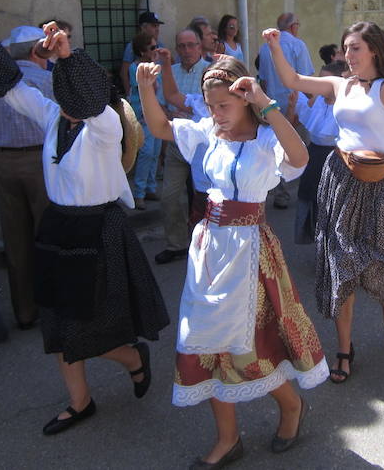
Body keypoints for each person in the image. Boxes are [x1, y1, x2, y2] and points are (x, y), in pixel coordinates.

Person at [0, 9, 169, 436]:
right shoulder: (51, 115)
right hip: (59, 228)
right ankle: (80, 401)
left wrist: (66, 54)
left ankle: (132, 357)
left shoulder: (106, 125)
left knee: (93, 322)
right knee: (58, 321)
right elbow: (10, 87)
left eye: (70, 84)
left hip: (99, 229)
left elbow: (90, 98)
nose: (64, 92)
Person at [137, 56, 328, 467]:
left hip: (251, 250)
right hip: (209, 247)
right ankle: (227, 439)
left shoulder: (264, 141)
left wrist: (265, 100)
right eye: (210, 106)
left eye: (223, 105)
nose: (215, 113)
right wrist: (144, 88)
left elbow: (299, 157)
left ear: (244, 100)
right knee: (204, 342)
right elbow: (160, 127)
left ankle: (291, 405)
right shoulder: (208, 132)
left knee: (252, 345)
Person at [262, 21, 384, 384]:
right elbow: (292, 80)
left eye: (356, 48)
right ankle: (343, 348)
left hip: (381, 184)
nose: (349, 56)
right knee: (341, 265)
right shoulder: (341, 85)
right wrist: (275, 46)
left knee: (383, 258)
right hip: (340, 180)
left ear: (374, 50)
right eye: (346, 48)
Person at [0, 25, 53, 329]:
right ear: (38, 51)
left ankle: (25, 312)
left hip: (5, 161)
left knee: (16, 240)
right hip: (39, 161)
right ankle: (54, 309)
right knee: (49, 236)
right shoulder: (46, 80)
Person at [156, 30, 211, 264]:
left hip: (204, 147)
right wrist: (170, 113)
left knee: (203, 197)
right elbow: (165, 102)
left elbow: (210, 107)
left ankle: (204, 245)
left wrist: (188, 115)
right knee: (169, 196)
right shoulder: (171, 72)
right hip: (178, 142)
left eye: (191, 45)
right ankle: (177, 244)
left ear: (200, 47)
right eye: (182, 46)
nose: (187, 50)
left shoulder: (210, 71)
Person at [257, 12, 315, 209]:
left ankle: (281, 193)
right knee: (304, 148)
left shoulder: (265, 48)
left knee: (278, 149)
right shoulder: (298, 45)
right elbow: (305, 77)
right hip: (295, 103)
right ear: (293, 27)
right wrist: (312, 106)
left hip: (273, 106)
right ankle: (308, 193)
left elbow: (263, 79)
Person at [290, 60, 345, 245]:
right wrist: (291, 106)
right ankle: (320, 245)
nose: (319, 84)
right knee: (313, 200)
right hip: (314, 156)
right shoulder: (318, 100)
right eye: (319, 79)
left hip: (336, 158)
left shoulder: (345, 105)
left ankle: (334, 247)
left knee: (333, 205)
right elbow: (297, 119)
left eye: (324, 80)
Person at [128, 33, 161, 208]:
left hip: (155, 112)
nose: (155, 50)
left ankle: (150, 187)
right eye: (152, 47)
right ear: (142, 51)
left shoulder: (154, 66)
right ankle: (139, 193)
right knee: (146, 152)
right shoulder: (136, 68)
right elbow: (152, 87)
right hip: (142, 114)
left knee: (155, 152)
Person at [120, 12, 164, 96]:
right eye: (154, 26)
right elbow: (124, 72)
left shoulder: (161, 45)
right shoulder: (132, 46)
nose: (157, 29)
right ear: (143, 27)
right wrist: (129, 95)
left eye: (158, 26)